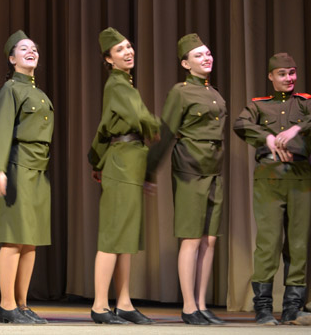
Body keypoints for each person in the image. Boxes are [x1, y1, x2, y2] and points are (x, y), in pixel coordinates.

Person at [148, 34, 227, 325]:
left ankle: (203, 303)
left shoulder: (214, 92)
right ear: (185, 63)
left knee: (210, 240)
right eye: (199, 55)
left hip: (214, 169)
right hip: (190, 168)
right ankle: (189, 306)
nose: (207, 58)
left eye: (208, 53)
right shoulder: (180, 92)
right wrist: (149, 171)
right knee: (192, 238)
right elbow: (165, 131)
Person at [87, 27, 160, 325]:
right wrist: (160, 127)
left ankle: (125, 302)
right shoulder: (117, 85)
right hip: (122, 162)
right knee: (113, 234)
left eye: (129, 46)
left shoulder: (125, 84)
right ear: (109, 59)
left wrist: (97, 160)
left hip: (130, 161)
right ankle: (100, 305)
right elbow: (137, 118)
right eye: (120, 50)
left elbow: (105, 130)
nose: (128, 52)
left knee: (126, 236)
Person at [233, 52, 311, 326]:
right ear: (270, 77)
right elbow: (240, 124)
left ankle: (293, 308)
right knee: (268, 242)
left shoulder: (305, 104)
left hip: (301, 177)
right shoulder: (259, 106)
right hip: (269, 176)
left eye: (292, 72)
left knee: (298, 244)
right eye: (282, 73)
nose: (288, 78)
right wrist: (266, 137)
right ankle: (263, 308)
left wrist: (296, 130)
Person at [0, 30, 53, 324]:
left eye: (34, 48)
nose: (31, 51)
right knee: (14, 239)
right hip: (18, 166)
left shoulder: (39, 93)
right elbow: (1, 129)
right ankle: (7, 304)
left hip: (39, 170)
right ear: (12, 59)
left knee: (31, 241)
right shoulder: (11, 89)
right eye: (23, 48)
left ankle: (22, 305)